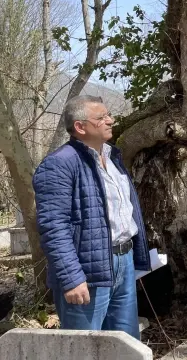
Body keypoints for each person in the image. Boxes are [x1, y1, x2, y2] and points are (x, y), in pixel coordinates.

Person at [33, 95, 150, 339]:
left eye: (108, 115)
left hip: (123, 263)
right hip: (86, 272)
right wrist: (71, 278)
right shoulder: (59, 164)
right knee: (84, 345)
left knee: (124, 345)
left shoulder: (112, 157)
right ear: (80, 126)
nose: (111, 120)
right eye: (102, 117)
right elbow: (54, 227)